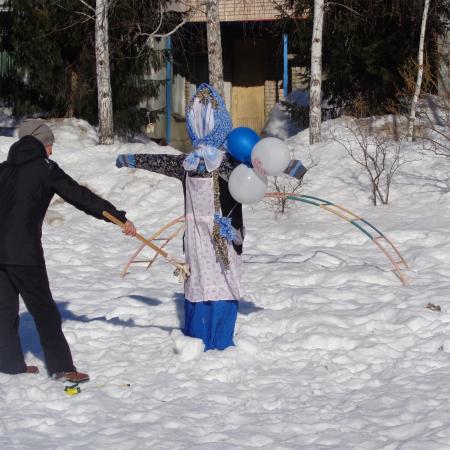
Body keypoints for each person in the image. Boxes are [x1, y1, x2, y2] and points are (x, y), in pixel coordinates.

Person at [0, 119, 136, 382]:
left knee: (4, 311)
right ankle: (63, 368)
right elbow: (80, 196)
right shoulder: (46, 168)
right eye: (50, 145)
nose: (51, 151)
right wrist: (117, 217)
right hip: (24, 254)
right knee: (44, 311)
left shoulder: (2, 169)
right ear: (42, 144)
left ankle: (9, 363)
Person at [117, 84, 243, 351]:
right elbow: (262, 166)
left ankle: (200, 338)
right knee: (211, 282)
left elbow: (160, 162)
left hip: (214, 237)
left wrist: (131, 159)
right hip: (211, 238)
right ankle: (214, 340)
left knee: (205, 282)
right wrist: (132, 159)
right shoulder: (224, 164)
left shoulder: (192, 163)